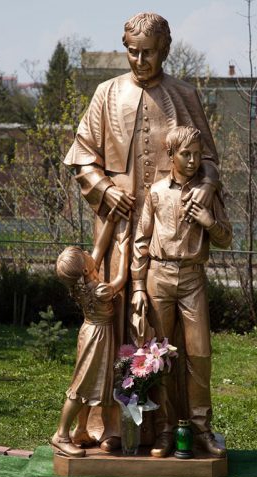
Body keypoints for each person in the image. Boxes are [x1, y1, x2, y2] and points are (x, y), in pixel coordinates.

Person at [64, 12, 221, 448]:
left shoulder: (183, 95)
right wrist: (104, 187)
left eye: (147, 52)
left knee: (169, 335)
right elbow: (80, 156)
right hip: (117, 228)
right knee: (112, 322)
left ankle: (175, 428)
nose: (139, 60)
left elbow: (208, 160)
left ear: (165, 50)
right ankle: (110, 428)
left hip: (171, 230)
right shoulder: (106, 93)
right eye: (131, 51)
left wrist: (206, 187)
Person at [131, 126, 232, 458]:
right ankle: (165, 429)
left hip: (192, 279)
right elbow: (141, 242)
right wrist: (137, 286)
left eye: (196, 155)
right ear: (170, 155)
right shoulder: (157, 192)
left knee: (200, 355)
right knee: (160, 358)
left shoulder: (206, 194)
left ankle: (201, 428)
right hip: (159, 277)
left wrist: (208, 220)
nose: (191, 161)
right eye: (184, 154)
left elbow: (226, 238)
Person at [50, 211, 130, 457]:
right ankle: (61, 435)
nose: (89, 253)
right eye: (85, 256)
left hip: (89, 333)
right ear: (86, 270)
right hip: (97, 338)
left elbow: (98, 247)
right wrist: (125, 249)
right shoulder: (101, 290)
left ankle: (81, 429)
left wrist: (111, 219)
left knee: (89, 386)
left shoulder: (84, 283)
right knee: (81, 387)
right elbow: (121, 278)